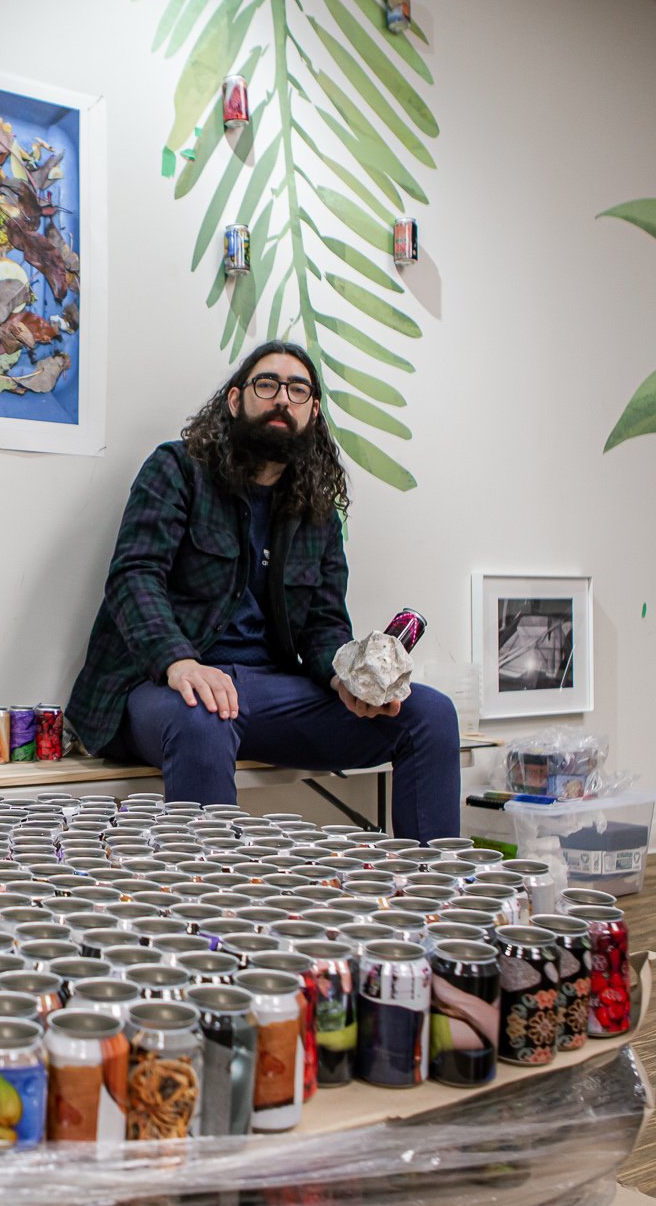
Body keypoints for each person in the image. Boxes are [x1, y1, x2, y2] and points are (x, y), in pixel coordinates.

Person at [65, 341, 460, 839]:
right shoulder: (177, 469)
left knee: (429, 714)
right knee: (203, 716)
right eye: (267, 384)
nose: (282, 399)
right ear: (235, 401)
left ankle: (432, 884)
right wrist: (179, 662)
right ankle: (211, 890)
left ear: (313, 413)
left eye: (298, 390)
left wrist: (345, 679)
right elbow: (135, 575)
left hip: (272, 693)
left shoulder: (317, 511)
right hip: (163, 686)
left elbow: (324, 626)